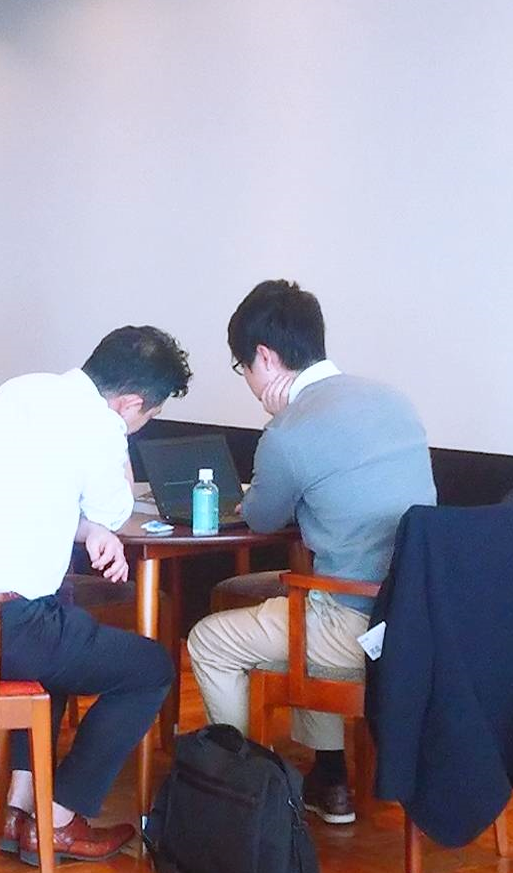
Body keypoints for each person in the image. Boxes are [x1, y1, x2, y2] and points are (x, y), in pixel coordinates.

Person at [0, 325, 191, 865]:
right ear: (131, 403)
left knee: (57, 630)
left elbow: (23, 495)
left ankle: (19, 809)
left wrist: (87, 530)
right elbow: (117, 509)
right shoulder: (100, 425)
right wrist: (117, 446)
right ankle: (58, 819)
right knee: (150, 668)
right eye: (146, 416)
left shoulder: (19, 390)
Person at [186, 279, 437, 825]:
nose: (249, 382)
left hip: (355, 626)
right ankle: (331, 778)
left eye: (244, 368)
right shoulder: (394, 401)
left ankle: (250, 791)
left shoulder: (291, 430)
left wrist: (279, 427)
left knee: (210, 640)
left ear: (265, 357)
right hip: (424, 621)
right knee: (302, 602)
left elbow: (261, 517)